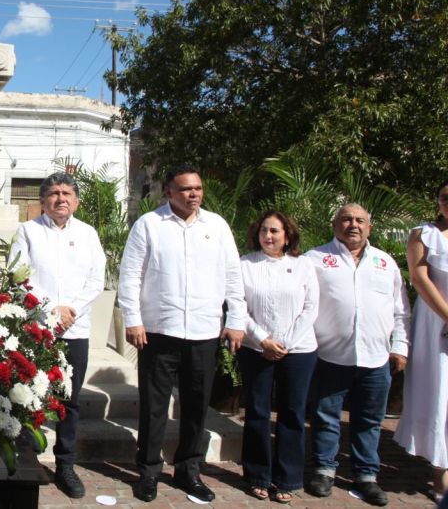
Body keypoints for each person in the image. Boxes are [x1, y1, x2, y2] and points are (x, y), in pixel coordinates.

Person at [117, 164, 246, 503]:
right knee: (155, 406)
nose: (194, 194)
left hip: (204, 332)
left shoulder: (216, 226)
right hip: (159, 331)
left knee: (195, 407)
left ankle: (189, 470)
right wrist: (133, 319)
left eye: (198, 189)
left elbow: (233, 277)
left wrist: (236, 320)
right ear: (169, 192)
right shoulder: (149, 224)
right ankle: (148, 471)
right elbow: (130, 274)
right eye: (186, 189)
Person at [305, 203, 410, 507]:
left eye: (360, 220)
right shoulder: (316, 259)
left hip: (376, 358)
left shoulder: (385, 263)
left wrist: (400, 347)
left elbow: (402, 311)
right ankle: (324, 469)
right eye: (347, 219)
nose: (353, 225)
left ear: (369, 227)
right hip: (329, 356)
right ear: (335, 224)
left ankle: (366, 475)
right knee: (325, 416)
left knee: (369, 420)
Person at [9, 172, 105, 499]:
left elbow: (96, 279)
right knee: (29, 396)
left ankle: (65, 464)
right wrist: (52, 309)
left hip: (75, 330)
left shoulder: (88, 234)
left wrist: (71, 310)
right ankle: (26, 459)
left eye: (66, 193)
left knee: (70, 401)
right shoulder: (28, 232)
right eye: (53, 193)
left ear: (76, 200)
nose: (60, 198)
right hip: (38, 330)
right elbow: (19, 276)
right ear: (42, 200)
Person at [237, 211, 318, 503]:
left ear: (287, 235)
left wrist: (285, 342)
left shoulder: (303, 265)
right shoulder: (245, 265)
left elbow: (311, 307)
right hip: (256, 349)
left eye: (274, 231)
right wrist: (263, 340)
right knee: (257, 412)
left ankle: (288, 478)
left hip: (298, 350)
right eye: (263, 231)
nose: (268, 236)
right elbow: (238, 307)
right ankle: (258, 475)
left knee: (292, 414)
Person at [394, 180, 448, 501]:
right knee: (441, 394)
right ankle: (440, 472)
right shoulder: (423, 234)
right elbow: (418, 277)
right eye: (444, 197)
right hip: (436, 324)